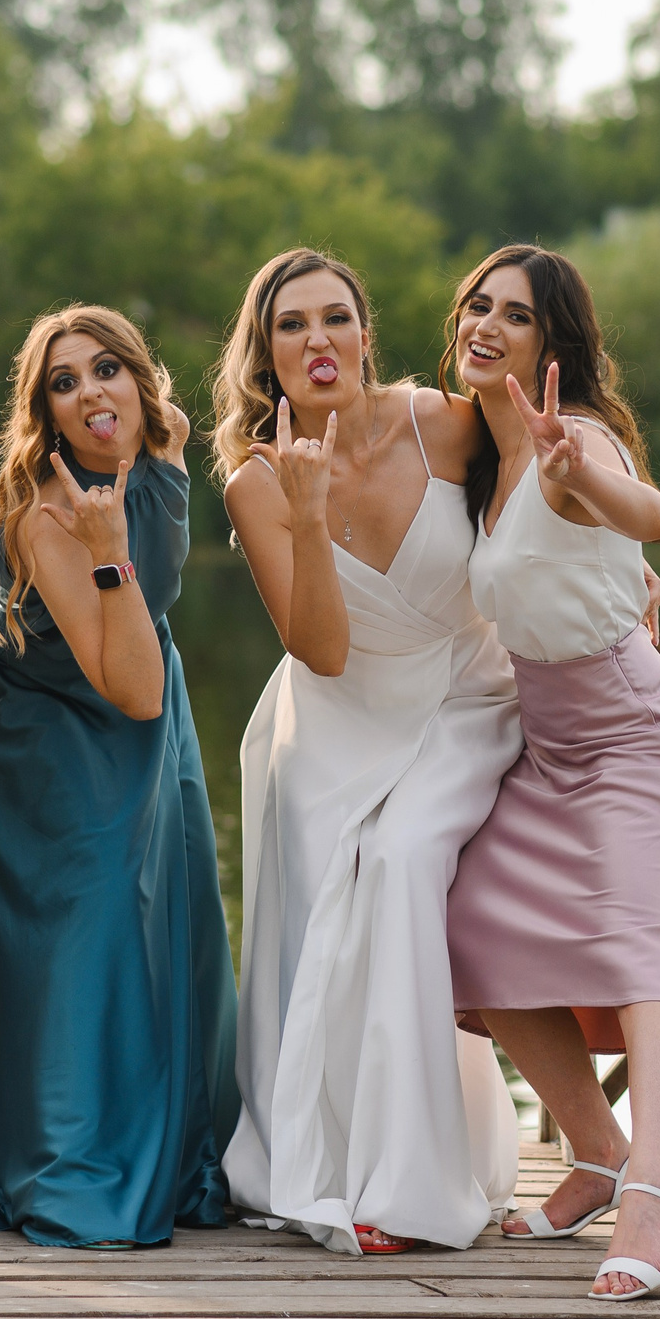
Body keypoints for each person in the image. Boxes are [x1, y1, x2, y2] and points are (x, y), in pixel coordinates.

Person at [215, 246, 523, 1257]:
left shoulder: (441, 421)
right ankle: (339, 1164)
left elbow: (547, 484)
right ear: (266, 355)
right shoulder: (256, 482)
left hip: (464, 696)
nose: (319, 340)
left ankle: (413, 1178)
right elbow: (323, 649)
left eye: (335, 317)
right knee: (334, 885)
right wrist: (307, 518)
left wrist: (624, 576)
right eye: (292, 324)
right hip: (335, 716)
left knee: (398, 859)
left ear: (363, 332)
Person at [0, 306, 237, 1248]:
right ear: (46, 414)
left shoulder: (165, 443)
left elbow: (144, 653)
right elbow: (127, 687)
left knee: (169, 906)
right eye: (64, 382)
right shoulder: (49, 516)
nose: (92, 392)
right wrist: (106, 553)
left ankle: (182, 1151)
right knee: (80, 923)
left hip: (142, 680)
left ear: (141, 379)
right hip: (45, 717)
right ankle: (69, 1163)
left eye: (106, 369)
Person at [442, 243, 660, 1301]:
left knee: (645, 957)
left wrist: (583, 477)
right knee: (469, 924)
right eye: (477, 304)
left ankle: (659, 1195)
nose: (487, 324)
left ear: (552, 341)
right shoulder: (484, 451)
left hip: (632, 731)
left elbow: (652, 520)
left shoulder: (575, 436)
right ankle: (597, 1149)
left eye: (514, 313)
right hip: (548, 740)